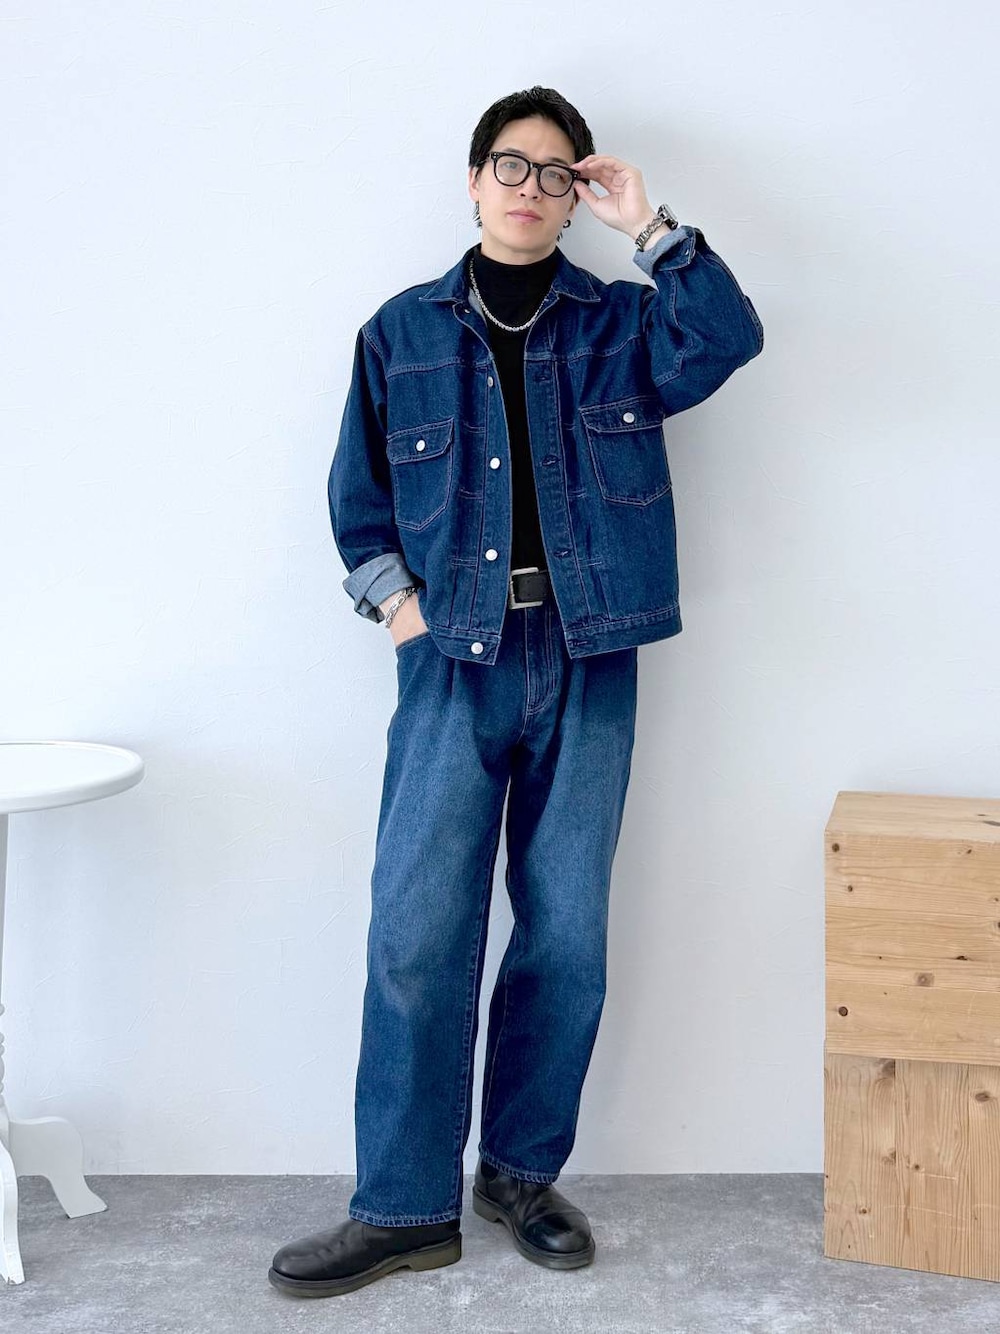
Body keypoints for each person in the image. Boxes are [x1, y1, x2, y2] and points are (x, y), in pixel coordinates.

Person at [269, 85, 764, 1299]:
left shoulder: (622, 322)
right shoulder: (399, 332)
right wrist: (403, 612)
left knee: (565, 934)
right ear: (473, 180)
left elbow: (727, 338)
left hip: (589, 654)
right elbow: (358, 505)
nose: (530, 188)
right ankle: (402, 1207)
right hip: (453, 660)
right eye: (510, 164)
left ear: (576, 193)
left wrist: (650, 225)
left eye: (556, 172)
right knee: (415, 934)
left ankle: (521, 1175)